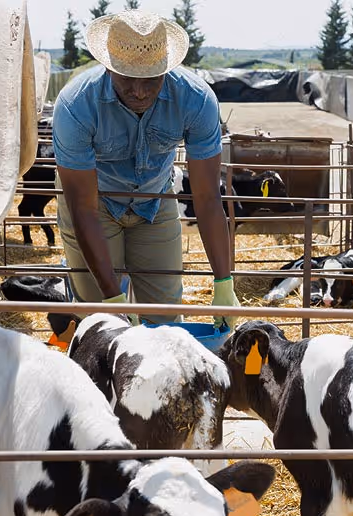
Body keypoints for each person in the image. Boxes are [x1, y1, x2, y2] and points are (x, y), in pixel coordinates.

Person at [52, 9, 239, 328]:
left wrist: (224, 282)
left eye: (150, 79)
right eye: (126, 77)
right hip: (94, 204)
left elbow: (208, 198)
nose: (139, 91)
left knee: (165, 319)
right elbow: (83, 207)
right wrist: (112, 298)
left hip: (155, 201)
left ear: (167, 68)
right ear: (108, 66)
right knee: (102, 321)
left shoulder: (196, 101)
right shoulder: (76, 105)